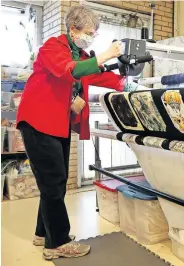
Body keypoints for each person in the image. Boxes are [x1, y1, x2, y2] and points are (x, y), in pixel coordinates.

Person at [16, 6, 125, 260]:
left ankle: (43, 234)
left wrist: (125, 81)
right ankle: (57, 243)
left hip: (55, 124)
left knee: (54, 182)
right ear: (73, 29)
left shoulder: (81, 53)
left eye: (94, 34)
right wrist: (107, 54)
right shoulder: (53, 48)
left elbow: (96, 75)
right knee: (53, 182)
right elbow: (71, 70)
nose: (91, 37)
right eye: (89, 32)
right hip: (38, 122)